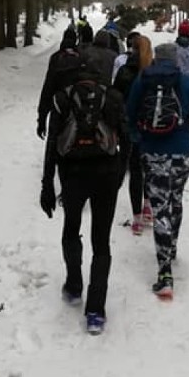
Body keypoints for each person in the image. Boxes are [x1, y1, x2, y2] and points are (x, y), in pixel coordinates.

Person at [40, 59, 129, 335]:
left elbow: (53, 143)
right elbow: (127, 138)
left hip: (73, 175)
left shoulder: (63, 99)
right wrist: (119, 173)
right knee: (101, 242)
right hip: (105, 174)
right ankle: (95, 311)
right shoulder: (112, 98)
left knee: (71, 227)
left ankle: (74, 284)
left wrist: (47, 183)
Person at [126, 42, 189, 299]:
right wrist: (188, 141)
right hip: (182, 154)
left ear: (155, 60)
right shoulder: (187, 83)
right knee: (175, 200)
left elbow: (129, 115)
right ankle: (170, 247)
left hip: (152, 153)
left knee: (159, 205)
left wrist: (140, 140)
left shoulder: (142, 81)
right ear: (175, 60)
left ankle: (164, 273)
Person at [112, 33, 153, 234]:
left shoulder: (124, 71)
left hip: (130, 127)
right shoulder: (153, 72)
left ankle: (137, 218)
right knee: (149, 169)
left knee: (135, 170)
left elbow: (114, 98)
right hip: (152, 128)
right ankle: (148, 207)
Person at [36, 25, 81, 139]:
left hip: (58, 107)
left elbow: (48, 88)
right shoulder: (82, 57)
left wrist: (42, 118)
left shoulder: (56, 58)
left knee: (55, 141)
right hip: (78, 107)